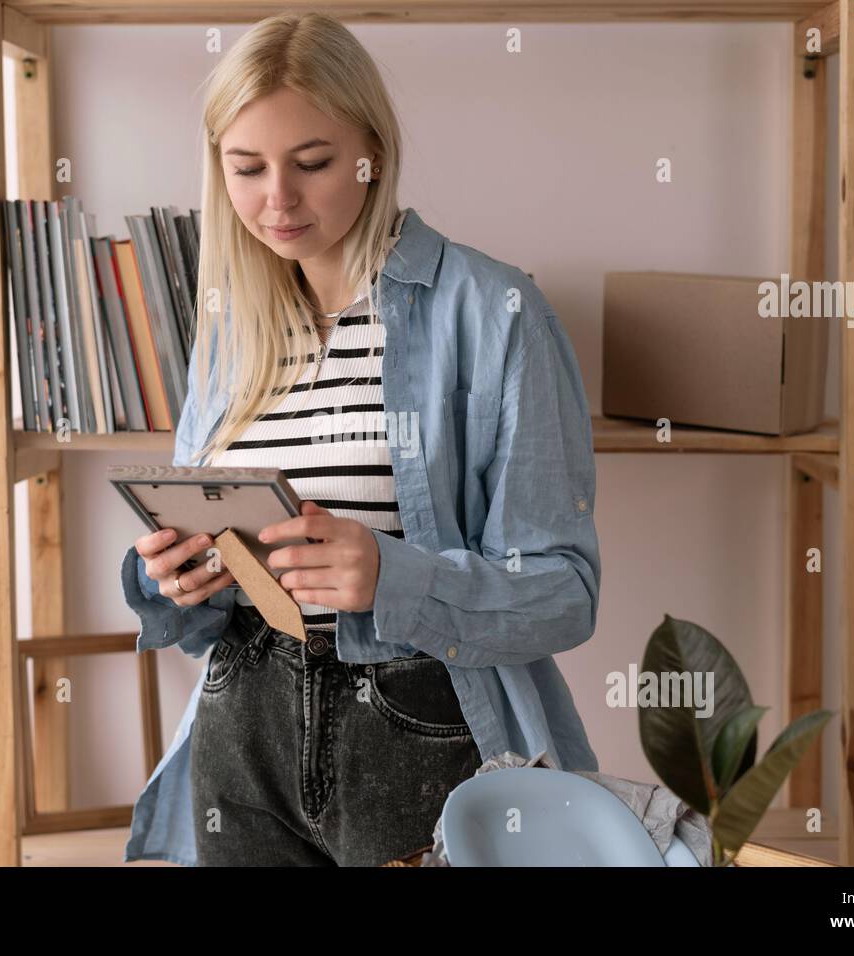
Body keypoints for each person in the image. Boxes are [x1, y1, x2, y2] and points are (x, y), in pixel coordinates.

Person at [122, 11, 601, 867]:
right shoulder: (229, 325)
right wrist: (172, 576)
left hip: (414, 724)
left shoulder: (494, 313)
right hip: (241, 720)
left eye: (313, 163)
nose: (278, 199)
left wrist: (395, 577)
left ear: (374, 152)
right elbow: (199, 598)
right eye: (246, 168)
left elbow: (565, 593)